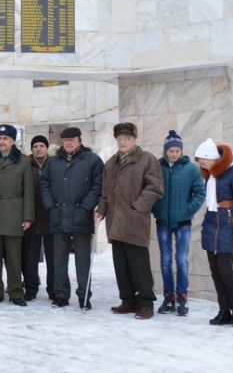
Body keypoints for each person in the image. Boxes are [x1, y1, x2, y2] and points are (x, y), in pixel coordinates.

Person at [95, 122, 164, 320]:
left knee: (138, 265)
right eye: (120, 138)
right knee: (121, 265)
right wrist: (101, 210)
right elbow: (105, 193)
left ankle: (145, 303)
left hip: (135, 221)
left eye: (127, 138)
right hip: (115, 222)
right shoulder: (110, 164)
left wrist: (138, 207)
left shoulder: (147, 160)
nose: (123, 142)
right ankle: (128, 300)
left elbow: (155, 188)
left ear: (134, 140)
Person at [40, 127, 104, 309]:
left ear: (79, 140)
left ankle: (84, 296)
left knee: (82, 262)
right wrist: (50, 206)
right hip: (58, 217)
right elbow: (44, 184)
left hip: (81, 217)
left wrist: (85, 207)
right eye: (65, 140)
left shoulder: (92, 160)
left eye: (72, 140)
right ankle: (61, 295)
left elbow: (97, 186)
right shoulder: (53, 163)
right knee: (59, 261)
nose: (68, 143)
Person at [195, 139, 233, 328]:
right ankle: (224, 311)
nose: (201, 163)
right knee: (215, 272)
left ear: (212, 157)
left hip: (229, 227)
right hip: (211, 227)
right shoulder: (209, 177)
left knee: (225, 270)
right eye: (199, 160)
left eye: (203, 159)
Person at [153, 130, 206, 316]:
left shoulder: (191, 168)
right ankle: (169, 297)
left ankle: (182, 296)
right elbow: (150, 189)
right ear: (165, 150)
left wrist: (188, 210)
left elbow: (200, 193)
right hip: (163, 222)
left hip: (183, 223)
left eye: (177, 150)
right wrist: (155, 209)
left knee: (181, 260)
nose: (174, 154)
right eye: (171, 150)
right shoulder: (157, 167)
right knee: (166, 261)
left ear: (181, 151)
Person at [0, 124, 36, 306]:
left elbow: (29, 190)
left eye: (5, 138)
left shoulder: (24, 161)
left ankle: (16, 293)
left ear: (13, 140)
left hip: (14, 212)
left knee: (14, 259)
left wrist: (28, 216)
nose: (1, 141)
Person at [24, 134, 54, 302]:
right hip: (32, 217)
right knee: (30, 258)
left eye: (42, 145)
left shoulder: (55, 163)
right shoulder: (26, 164)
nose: (38, 149)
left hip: (51, 218)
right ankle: (30, 287)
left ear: (46, 148)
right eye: (35, 146)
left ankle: (53, 288)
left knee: (53, 258)